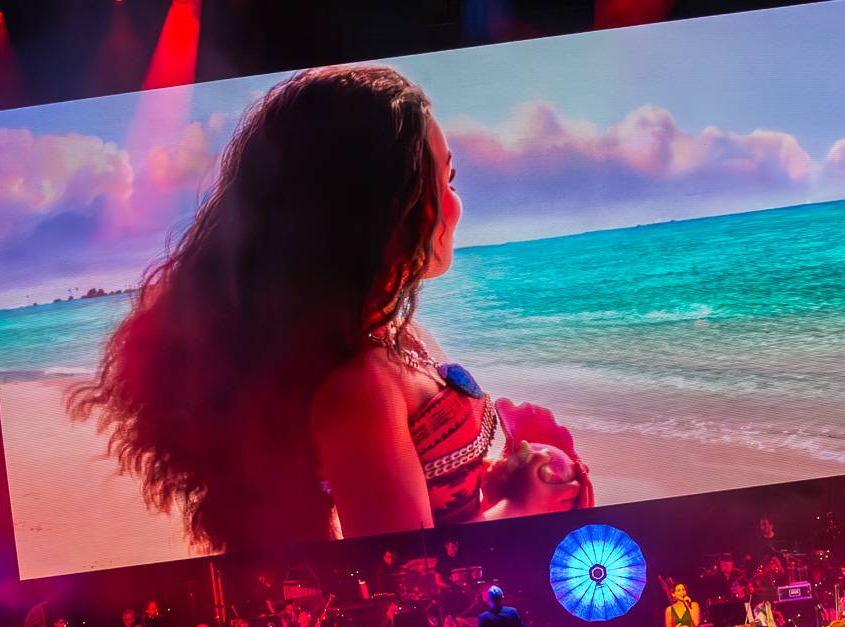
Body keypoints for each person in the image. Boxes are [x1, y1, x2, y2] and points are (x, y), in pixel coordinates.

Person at [69, 65, 591, 556]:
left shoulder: (399, 337)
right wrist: (525, 506)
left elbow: (441, 499)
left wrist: (502, 476)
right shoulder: (360, 393)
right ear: (383, 207)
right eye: (446, 181)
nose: (457, 205)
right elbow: (409, 571)